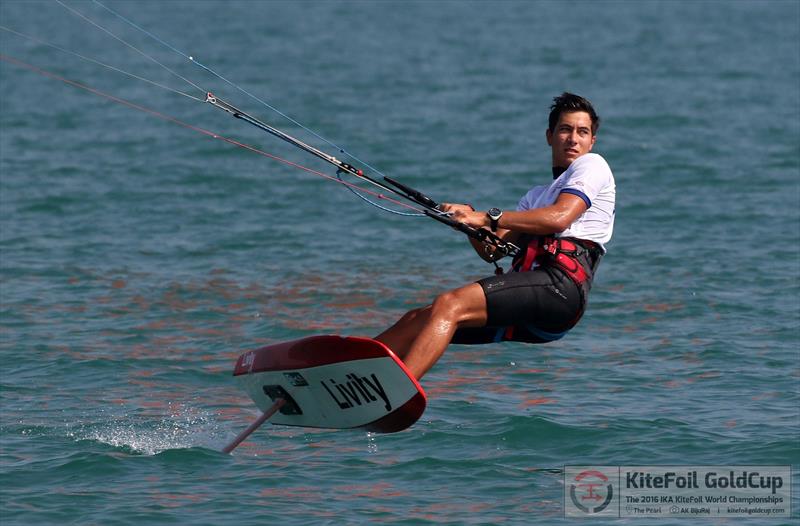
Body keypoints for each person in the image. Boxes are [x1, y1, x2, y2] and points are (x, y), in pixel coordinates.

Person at [375, 92, 616, 380]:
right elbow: (492, 250)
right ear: (550, 136)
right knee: (420, 318)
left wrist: (487, 217)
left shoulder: (592, 165)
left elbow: (561, 217)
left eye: (582, 132)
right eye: (565, 130)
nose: (573, 139)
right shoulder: (536, 197)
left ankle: (398, 391)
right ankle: (354, 370)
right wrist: (466, 220)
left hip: (560, 288)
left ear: (592, 141)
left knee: (450, 303)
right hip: (534, 296)